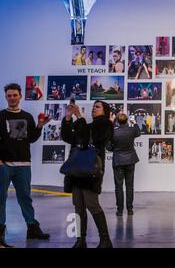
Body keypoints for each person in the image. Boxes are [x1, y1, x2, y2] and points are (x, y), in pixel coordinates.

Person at [0, 83, 51, 248]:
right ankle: (0, 233)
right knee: (1, 199)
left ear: (20, 96)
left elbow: (31, 138)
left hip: (24, 164)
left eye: (15, 95)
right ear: (6, 97)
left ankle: (32, 228)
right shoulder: (0, 116)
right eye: (9, 95)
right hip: (4, 165)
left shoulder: (28, 116)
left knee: (25, 198)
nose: (12, 98)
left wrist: (40, 126)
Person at [61, 100, 114, 248]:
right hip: (77, 169)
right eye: (93, 106)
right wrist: (67, 118)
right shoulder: (87, 125)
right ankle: (80, 240)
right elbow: (68, 138)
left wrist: (80, 118)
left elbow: (88, 140)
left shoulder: (106, 125)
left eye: (97, 107)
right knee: (78, 206)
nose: (94, 109)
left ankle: (105, 240)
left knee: (92, 204)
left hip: (92, 170)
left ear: (105, 111)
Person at [109, 113, 141, 217]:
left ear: (117, 121)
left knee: (118, 187)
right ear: (127, 120)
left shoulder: (114, 132)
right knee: (129, 186)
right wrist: (135, 123)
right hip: (130, 160)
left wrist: (115, 149)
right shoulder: (131, 130)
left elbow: (108, 147)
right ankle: (130, 209)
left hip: (118, 161)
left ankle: (119, 210)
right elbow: (138, 132)